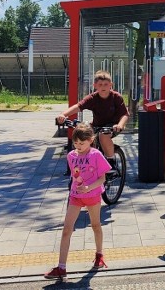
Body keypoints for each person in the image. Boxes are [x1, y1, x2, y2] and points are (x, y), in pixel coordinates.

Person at [44, 123, 111, 280]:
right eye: (76, 143)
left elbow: (102, 178)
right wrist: (80, 186)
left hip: (92, 195)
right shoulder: (71, 156)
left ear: (91, 140)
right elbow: (75, 175)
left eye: (82, 143)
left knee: (95, 225)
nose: (78, 146)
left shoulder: (96, 155)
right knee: (67, 229)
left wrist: (88, 187)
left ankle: (99, 254)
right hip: (75, 195)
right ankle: (61, 267)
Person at [56, 70, 129, 168]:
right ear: (95, 86)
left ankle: (111, 161)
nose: (103, 87)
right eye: (100, 84)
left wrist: (120, 125)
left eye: (106, 84)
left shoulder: (116, 97)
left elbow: (124, 114)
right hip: (97, 125)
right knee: (84, 135)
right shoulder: (92, 98)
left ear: (111, 85)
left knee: (103, 135)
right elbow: (78, 106)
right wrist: (63, 115)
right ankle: (89, 162)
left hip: (113, 125)